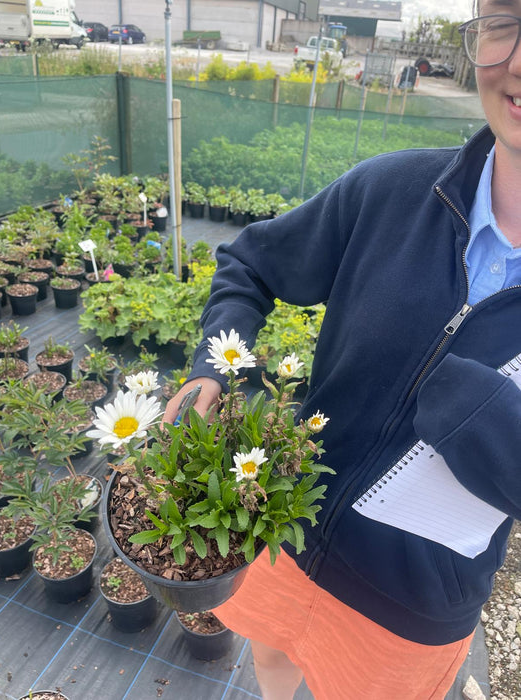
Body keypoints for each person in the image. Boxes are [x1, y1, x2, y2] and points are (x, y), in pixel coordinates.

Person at [163, 1, 521, 697]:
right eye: (507, 20)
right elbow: (250, 263)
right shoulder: (391, 189)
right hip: (281, 528)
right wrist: (213, 366)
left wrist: (476, 412)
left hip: (407, 610)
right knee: (268, 659)